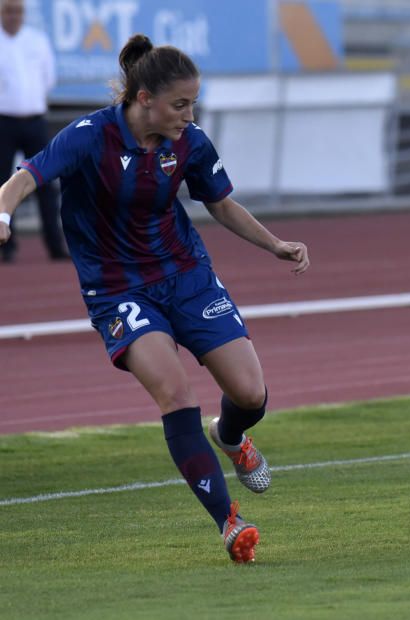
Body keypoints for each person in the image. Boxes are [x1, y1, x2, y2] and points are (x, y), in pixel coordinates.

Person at [0, 34, 310, 562]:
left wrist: (275, 245)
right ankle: (229, 523)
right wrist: (3, 216)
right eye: (180, 104)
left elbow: (221, 203)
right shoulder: (89, 135)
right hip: (117, 288)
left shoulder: (188, 142)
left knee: (251, 394)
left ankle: (231, 438)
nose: (190, 114)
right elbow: (23, 179)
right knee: (175, 394)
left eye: (193, 103)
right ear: (144, 97)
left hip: (187, 276)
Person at [0, 0, 69, 262]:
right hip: (3, 122)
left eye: (17, 11)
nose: (13, 16)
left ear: (23, 13)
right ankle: (6, 245)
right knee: (4, 185)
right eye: (8, 10)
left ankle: (54, 244)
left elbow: (48, 78)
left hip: (34, 121)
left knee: (45, 183)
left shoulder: (37, 40)